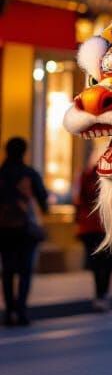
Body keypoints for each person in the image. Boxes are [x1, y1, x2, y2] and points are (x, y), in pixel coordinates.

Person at [0, 137, 48, 326]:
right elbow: (43, 199)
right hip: (26, 229)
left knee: (8, 270)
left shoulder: (2, 174)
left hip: (3, 229)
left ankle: (9, 310)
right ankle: (21, 310)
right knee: (25, 270)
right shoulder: (29, 174)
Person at [73, 154, 112, 311]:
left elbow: (79, 200)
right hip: (107, 226)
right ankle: (102, 295)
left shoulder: (86, 176)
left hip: (89, 226)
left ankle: (100, 294)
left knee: (96, 262)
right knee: (107, 262)